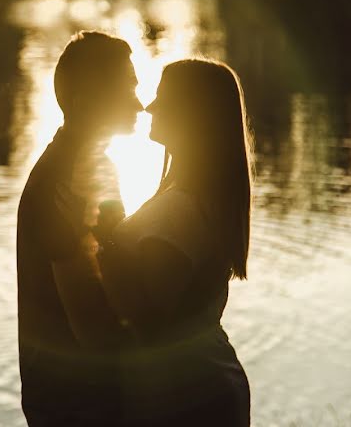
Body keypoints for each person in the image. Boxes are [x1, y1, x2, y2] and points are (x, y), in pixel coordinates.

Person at [56, 58, 253, 427]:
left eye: (162, 98)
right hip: (193, 387)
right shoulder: (188, 193)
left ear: (190, 113)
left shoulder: (182, 210)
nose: (149, 106)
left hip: (190, 399)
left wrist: (106, 239)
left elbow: (147, 321)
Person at [16, 31, 143, 426]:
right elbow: (89, 316)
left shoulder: (93, 165)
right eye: (126, 90)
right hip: (74, 405)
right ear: (87, 100)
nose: (139, 104)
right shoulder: (65, 180)